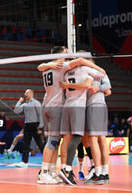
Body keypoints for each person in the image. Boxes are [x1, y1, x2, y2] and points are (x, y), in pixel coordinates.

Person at [36, 46, 106, 184]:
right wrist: (97, 68)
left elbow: (40, 66)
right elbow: (80, 60)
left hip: (47, 105)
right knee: (53, 141)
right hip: (56, 107)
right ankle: (44, 172)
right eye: (65, 51)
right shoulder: (61, 65)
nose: (68, 53)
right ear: (60, 54)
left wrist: (47, 63)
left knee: (55, 141)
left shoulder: (46, 68)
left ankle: (50, 171)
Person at [58, 60, 105, 185]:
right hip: (78, 106)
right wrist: (92, 65)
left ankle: (65, 167)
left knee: (67, 139)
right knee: (78, 137)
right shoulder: (85, 69)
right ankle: (67, 169)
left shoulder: (66, 73)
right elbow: (102, 74)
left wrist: (68, 86)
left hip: (66, 106)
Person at [13, 89, 44, 168]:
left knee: (40, 143)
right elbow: (16, 111)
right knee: (26, 144)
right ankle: (24, 162)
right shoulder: (24, 104)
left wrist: (41, 126)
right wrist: (19, 102)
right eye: (25, 93)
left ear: (31, 93)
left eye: (26, 93)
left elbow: (40, 114)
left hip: (35, 125)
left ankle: (46, 160)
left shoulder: (36, 103)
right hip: (27, 125)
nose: (25, 94)